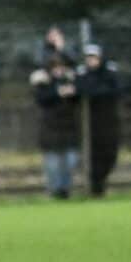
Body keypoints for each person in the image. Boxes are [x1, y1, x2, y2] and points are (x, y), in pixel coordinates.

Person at [32, 56, 81, 198]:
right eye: (55, 67)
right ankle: (55, 191)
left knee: (70, 161)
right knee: (53, 164)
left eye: (60, 67)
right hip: (50, 130)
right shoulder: (43, 84)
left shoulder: (70, 81)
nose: (58, 70)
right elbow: (41, 98)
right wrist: (58, 92)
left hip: (68, 128)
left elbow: (80, 94)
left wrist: (73, 89)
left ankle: (65, 190)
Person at [80, 44, 122, 197]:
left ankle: (100, 182)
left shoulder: (109, 73)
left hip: (109, 121)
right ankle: (96, 187)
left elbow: (116, 90)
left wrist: (96, 91)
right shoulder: (83, 74)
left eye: (94, 58)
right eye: (89, 58)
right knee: (93, 156)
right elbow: (82, 90)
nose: (91, 61)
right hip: (91, 123)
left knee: (110, 154)